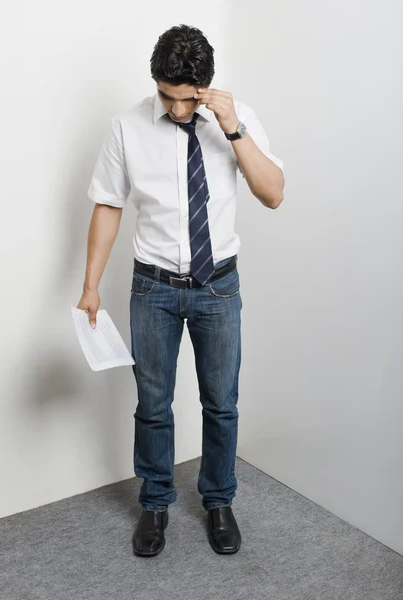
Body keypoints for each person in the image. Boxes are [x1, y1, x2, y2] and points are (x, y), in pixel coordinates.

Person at [77, 24, 284, 557]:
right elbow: (108, 204)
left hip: (218, 287)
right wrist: (90, 286)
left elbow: (273, 193)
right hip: (154, 289)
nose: (176, 110)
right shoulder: (126, 127)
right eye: (166, 96)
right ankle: (155, 501)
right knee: (153, 404)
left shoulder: (237, 120)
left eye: (187, 99)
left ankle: (218, 501)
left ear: (207, 86)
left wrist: (234, 129)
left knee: (222, 404)